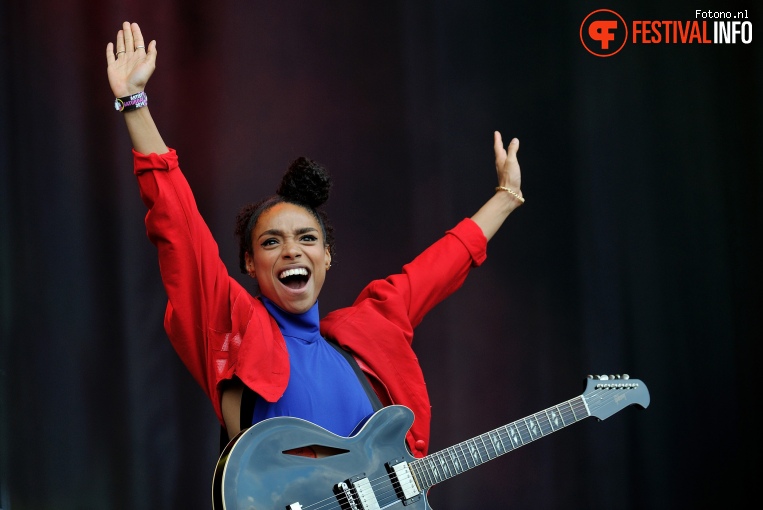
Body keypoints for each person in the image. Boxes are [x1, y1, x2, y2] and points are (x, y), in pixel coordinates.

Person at [106, 21, 524, 459]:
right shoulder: (233, 325)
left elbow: (435, 269)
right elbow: (180, 229)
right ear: (249, 263)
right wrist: (135, 105)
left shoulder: (368, 331)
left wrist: (505, 198)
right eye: (270, 242)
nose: (291, 250)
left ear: (326, 256)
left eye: (307, 238)